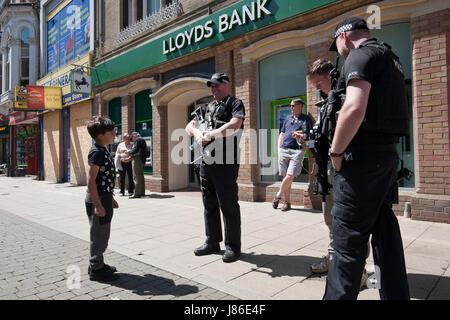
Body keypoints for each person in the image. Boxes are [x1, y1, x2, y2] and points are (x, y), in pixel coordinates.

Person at [323, 17, 410, 300]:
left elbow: (354, 108)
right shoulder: (390, 58)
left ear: (344, 37)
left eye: (337, 46)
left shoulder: (361, 54)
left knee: (347, 244)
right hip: (385, 157)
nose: (338, 53)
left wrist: (335, 153)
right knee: (386, 237)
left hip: (359, 161)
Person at [307, 59, 369, 289]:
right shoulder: (325, 101)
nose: (316, 88)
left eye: (318, 83)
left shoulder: (346, 95)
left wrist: (337, 153)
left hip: (346, 167)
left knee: (350, 222)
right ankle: (334, 259)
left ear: (330, 76)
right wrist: (309, 140)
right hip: (328, 168)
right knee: (331, 218)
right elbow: (325, 133)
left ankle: (358, 271)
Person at [185, 73, 245, 263]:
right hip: (206, 161)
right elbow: (190, 125)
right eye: (211, 86)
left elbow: (235, 125)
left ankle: (233, 246)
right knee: (209, 203)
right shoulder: (207, 107)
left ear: (227, 85)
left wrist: (210, 135)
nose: (214, 89)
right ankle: (212, 241)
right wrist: (197, 133)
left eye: (217, 86)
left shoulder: (235, 104)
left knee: (228, 205)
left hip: (225, 161)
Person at [85, 116, 119, 282]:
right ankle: (96, 270)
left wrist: (110, 197)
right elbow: (91, 181)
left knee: (103, 234)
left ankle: (97, 263)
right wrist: (98, 205)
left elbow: (103, 179)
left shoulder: (103, 149)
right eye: (111, 131)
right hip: (97, 199)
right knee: (98, 236)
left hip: (104, 197)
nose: (114, 133)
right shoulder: (96, 152)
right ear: (100, 135)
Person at [272, 99, 312, 212]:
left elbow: (309, 135)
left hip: (297, 150)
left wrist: (300, 134)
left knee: (290, 175)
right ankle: (287, 203)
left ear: (300, 106)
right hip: (284, 149)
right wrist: (279, 148)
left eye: (293, 106)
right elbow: (282, 133)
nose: (291, 108)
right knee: (285, 177)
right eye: (290, 106)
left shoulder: (306, 119)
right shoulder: (288, 118)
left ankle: (278, 195)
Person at [123, 132, 148, 199]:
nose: (132, 140)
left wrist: (129, 152)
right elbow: (140, 152)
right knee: (140, 176)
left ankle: (137, 193)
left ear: (134, 136)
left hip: (137, 160)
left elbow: (135, 150)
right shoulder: (142, 140)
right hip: (141, 160)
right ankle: (142, 192)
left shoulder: (138, 140)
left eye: (132, 138)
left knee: (136, 176)